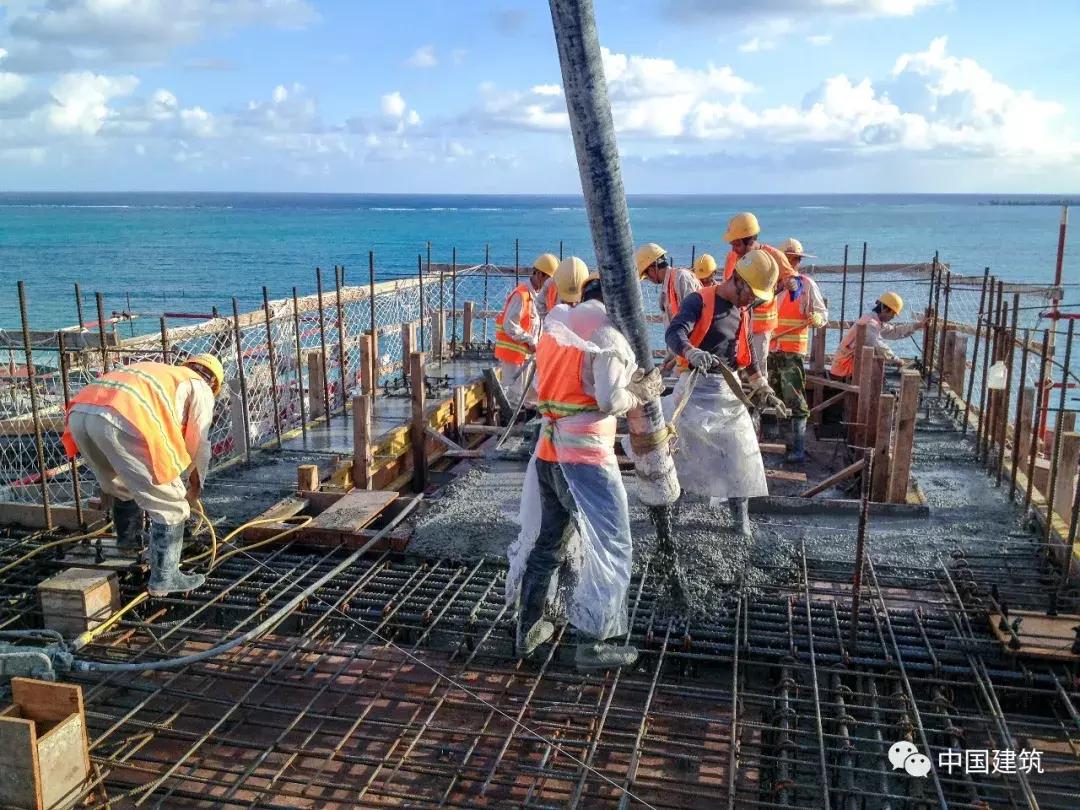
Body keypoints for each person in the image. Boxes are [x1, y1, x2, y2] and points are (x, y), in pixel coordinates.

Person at [506, 258, 663, 670]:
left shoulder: (557, 325)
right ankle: (595, 644)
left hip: (547, 455)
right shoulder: (607, 334)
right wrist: (641, 391)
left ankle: (529, 629)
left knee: (549, 544)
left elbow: (542, 387)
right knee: (609, 546)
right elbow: (611, 400)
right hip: (587, 461)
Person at [60, 354, 224, 596]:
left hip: (80, 414)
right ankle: (165, 579)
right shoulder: (199, 386)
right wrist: (192, 487)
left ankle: (127, 543)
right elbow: (198, 444)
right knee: (171, 506)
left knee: (121, 484)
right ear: (213, 384)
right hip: (123, 418)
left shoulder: (161, 373)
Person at [664, 249, 787, 538]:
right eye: (751, 293)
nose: (752, 299)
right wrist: (691, 351)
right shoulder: (700, 300)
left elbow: (748, 359)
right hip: (694, 389)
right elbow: (674, 332)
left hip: (725, 390)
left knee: (740, 452)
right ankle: (671, 516)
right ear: (739, 281)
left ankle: (739, 517)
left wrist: (763, 387)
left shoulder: (744, 312)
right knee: (681, 454)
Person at [769, 238, 828, 463]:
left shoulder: (806, 285)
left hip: (791, 351)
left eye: (795, 260)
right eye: (788, 259)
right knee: (771, 395)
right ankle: (781, 443)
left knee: (795, 399)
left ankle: (799, 448)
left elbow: (822, 314)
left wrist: (817, 318)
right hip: (770, 348)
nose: (792, 264)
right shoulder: (771, 285)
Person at [721, 212, 796, 376]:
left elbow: (796, 283)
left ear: (750, 240)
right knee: (734, 369)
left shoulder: (773, 256)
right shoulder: (732, 257)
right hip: (737, 322)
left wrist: (790, 285)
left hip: (761, 327)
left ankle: (760, 399)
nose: (734, 249)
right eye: (732, 244)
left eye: (737, 244)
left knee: (758, 372)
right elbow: (727, 286)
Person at [494, 254, 556, 407]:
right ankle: (513, 427)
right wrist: (529, 340)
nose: (550, 284)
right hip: (514, 357)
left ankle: (526, 424)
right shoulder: (521, 295)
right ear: (539, 274)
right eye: (548, 279)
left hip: (528, 356)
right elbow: (510, 325)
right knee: (515, 398)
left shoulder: (537, 296)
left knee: (529, 398)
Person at [831, 292, 924, 379]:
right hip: (844, 370)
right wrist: (897, 360)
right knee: (879, 372)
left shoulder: (873, 320)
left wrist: (917, 326)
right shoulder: (870, 323)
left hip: (846, 366)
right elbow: (880, 347)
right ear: (884, 309)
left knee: (877, 366)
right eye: (893, 314)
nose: (893, 317)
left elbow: (894, 331)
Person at [636, 243, 700, 327]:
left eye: (646, 276)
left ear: (652, 269)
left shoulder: (681, 278)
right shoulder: (666, 288)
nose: (648, 279)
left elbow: (695, 315)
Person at [533, 253, 562, 320]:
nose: (551, 283)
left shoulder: (554, 291)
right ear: (539, 274)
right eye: (549, 279)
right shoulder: (523, 295)